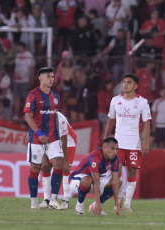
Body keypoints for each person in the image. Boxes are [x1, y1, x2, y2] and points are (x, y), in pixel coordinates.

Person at [104, 73, 151, 211]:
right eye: (124, 82)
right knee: (115, 172)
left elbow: (146, 123)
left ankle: (127, 204)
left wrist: (146, 142)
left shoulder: (142, 102)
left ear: (136, 86)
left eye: (129, 82)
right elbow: (111, 120)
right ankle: (118, 199)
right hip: (118, 145)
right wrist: (106, 139)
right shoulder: (115, 100)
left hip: (134, 144)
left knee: (131, 172)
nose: (125, 84)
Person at [23, 67, 64, 210]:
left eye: (52, 76)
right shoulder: (33, 95)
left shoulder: (56, 96)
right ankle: (34, 201)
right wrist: (39, 132)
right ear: (40, 78)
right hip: (36, 138)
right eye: (48, 76)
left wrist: (59, 135)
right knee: (35, 168)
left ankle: (53, 200)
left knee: (58, 164)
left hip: (53, 138)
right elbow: (28, 116)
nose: (51, 78)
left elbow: (55, 117)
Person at [69, 137, 122, 215]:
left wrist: (117, 204)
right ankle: (79, 205)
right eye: (112, 149)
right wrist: (98, 204)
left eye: (116, 149)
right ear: (104, 148)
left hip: (93, 180)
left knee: (118, 181)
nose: (115, 152)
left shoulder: (115, 159)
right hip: (77, 181)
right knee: (88, 180)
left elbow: (114, 181)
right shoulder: (95, 158)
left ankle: (94, 206)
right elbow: (95, 182)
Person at [39, 111, 77, 209]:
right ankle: (46, 200)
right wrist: (44, 158)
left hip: (68, 141)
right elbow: (40, 139)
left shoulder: (61, 120)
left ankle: (66, 200)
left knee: (64, 169)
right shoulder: (40, 119)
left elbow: (64, 140)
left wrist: (64, 161)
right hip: (52, 141)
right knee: (46, 167)